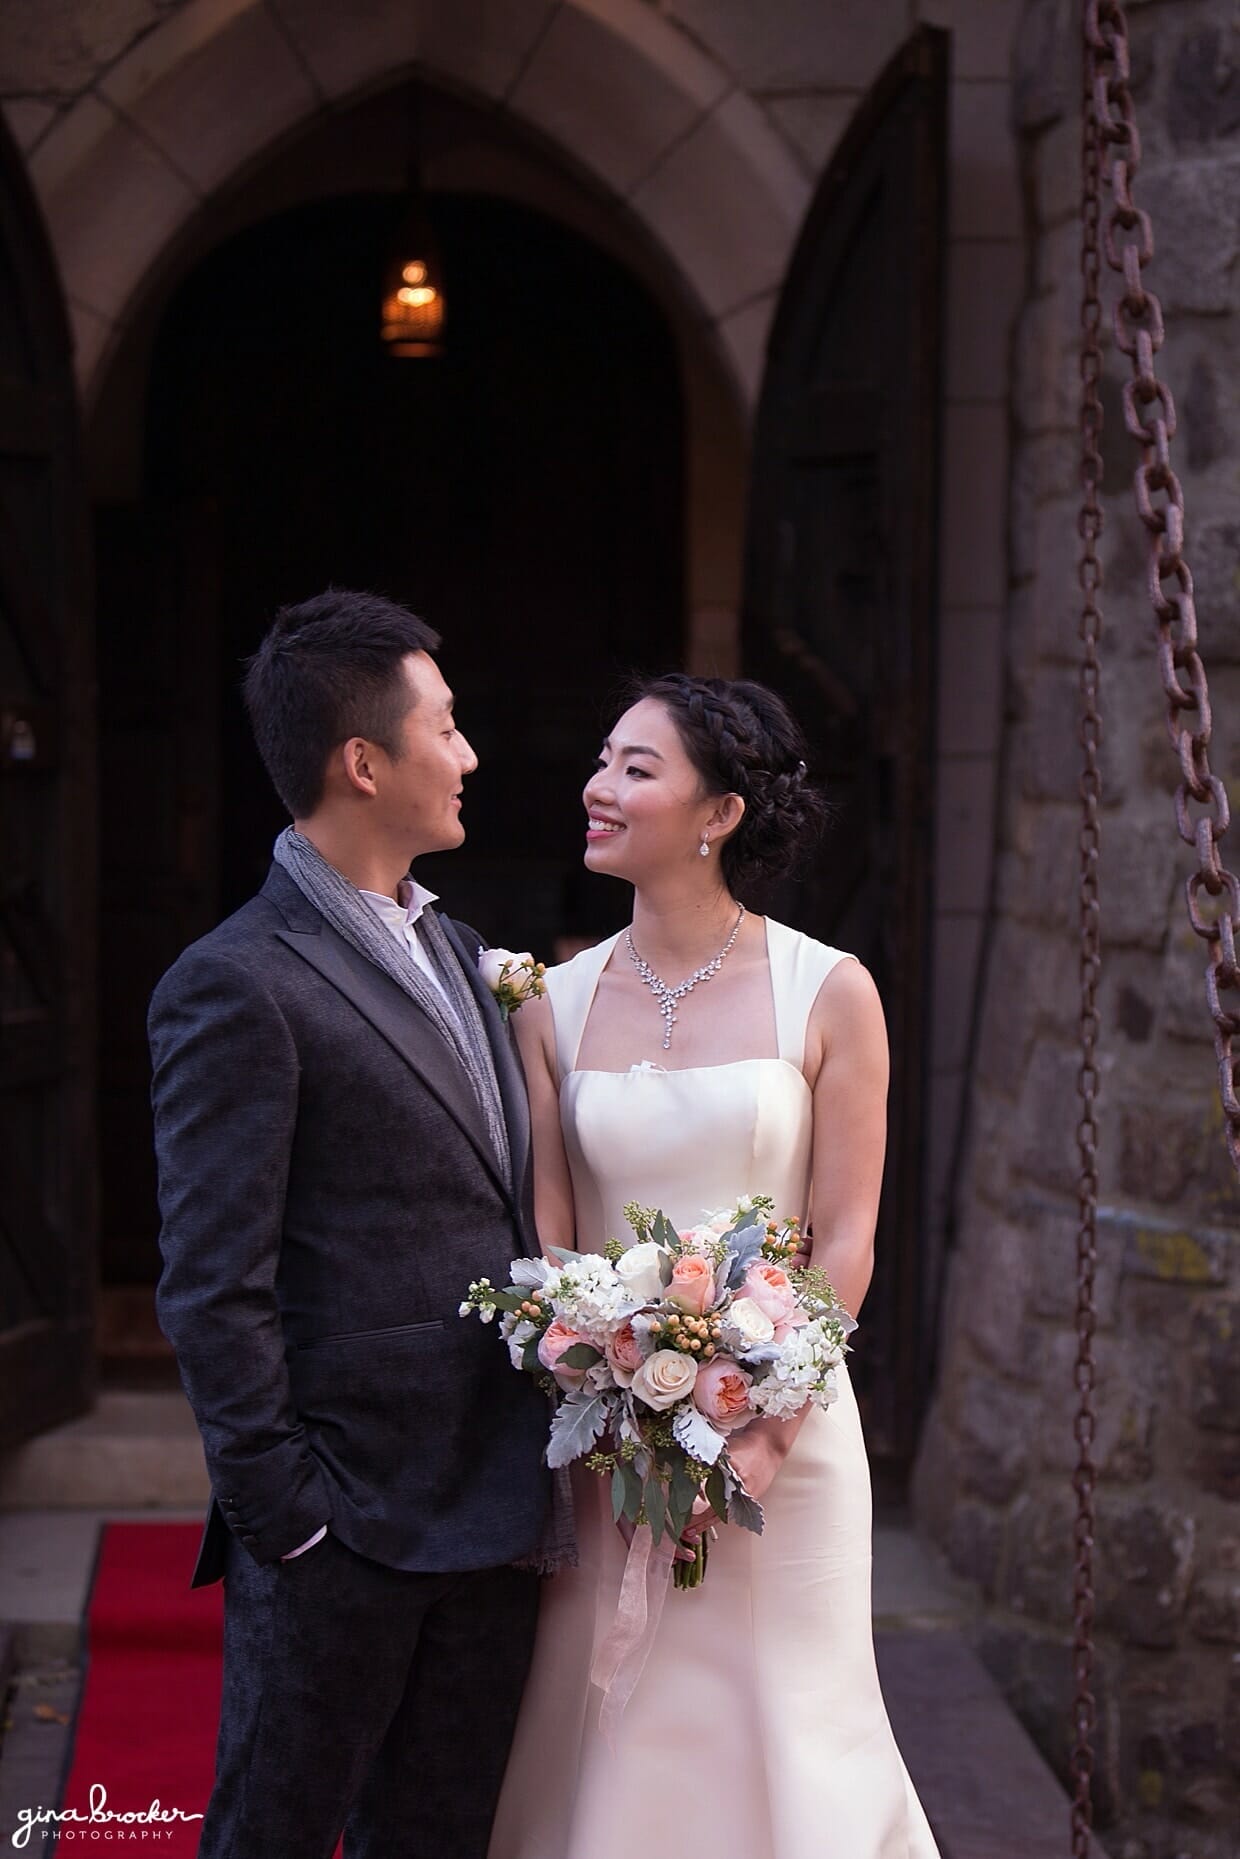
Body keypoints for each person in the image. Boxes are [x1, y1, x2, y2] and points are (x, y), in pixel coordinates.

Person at [489, 673, 940, 1859]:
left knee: (791, 1717)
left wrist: (760, 1429)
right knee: (620, 1719)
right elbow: (550, 1238)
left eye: (637, 767)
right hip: (608, 1437)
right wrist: (610, 1387)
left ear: (719, 812)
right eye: (602, 758)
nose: (598, 786)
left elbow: (844, 1238)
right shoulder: (552, 1004)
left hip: (787, 1436)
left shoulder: (830, 988)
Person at [148, 589, 560, 1859]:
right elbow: (213, 1282)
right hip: (344, 1520)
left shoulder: (466, 946)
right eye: (445, 724)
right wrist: (288, 1512)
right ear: (363, 760)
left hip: (495, 1504)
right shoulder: (233, 982)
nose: (470, 752)